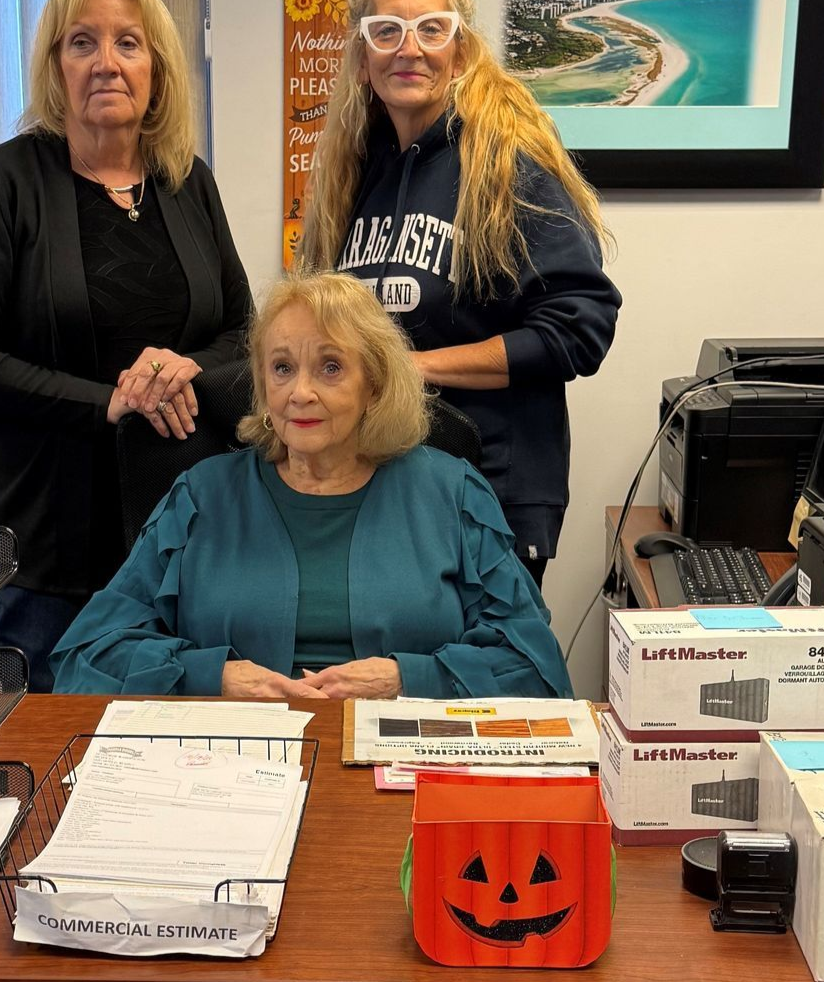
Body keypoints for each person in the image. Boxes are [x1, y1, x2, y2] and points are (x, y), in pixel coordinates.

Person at [0, 0, 251, 691]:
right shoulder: (3, 183)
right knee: (53, 765)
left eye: (128, 43)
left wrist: (182, 367)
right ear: (55, 67)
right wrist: (106, 401)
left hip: (182, 537)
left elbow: (244, 335)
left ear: (156, 69)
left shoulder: (188, 180)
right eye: (82, 43)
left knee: (178, 754)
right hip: (50, 547)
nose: (107, 62)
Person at [51, 271, 572, 700]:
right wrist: (214, 678)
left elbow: (535, 665)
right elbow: (86, 656)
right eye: (282, 368)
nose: (300, 392)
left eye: (329, 367)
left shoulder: (452, 492)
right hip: (232, 766)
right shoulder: (201, 496)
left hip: (400, 771)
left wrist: (404, 680)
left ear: (373, 384)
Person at [300, 0, 620, 588]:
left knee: (473, 690)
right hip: (386, 495)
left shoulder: (507, 162)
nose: (408, 49)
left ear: (462, 49)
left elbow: (581, 326)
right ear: (363, 57)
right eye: (386, 31)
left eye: (431, 28)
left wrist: (412, 369)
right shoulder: (357, 177)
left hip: (491, 500)